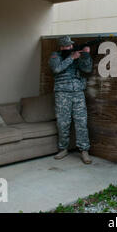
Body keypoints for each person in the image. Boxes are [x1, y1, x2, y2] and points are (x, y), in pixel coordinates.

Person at [49, 35, 93, 164]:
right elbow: (56, 69)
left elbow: (87, 69)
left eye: (71, 45)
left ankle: (84, 150)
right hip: (62, 93)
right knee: (63, 122)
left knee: (81, 122)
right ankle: (63, 149)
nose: (70, 47)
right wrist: (71, 58)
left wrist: (85, 56)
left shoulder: (76, 54)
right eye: (67, 46)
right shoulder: (55, 56)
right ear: (62, 47)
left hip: (78, 92)